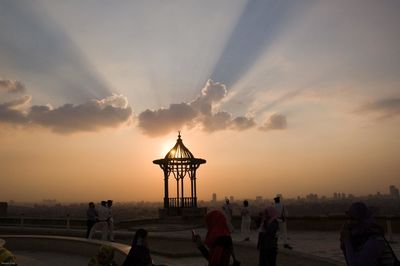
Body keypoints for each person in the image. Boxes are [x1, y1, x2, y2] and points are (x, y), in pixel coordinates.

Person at [340, 202, 398, 266]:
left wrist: (347, 240)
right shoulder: (359, 237)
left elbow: (355, 264)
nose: (349, 222)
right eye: (348, 218)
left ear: (362, 219)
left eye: (353, 219)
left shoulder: (375, 239)